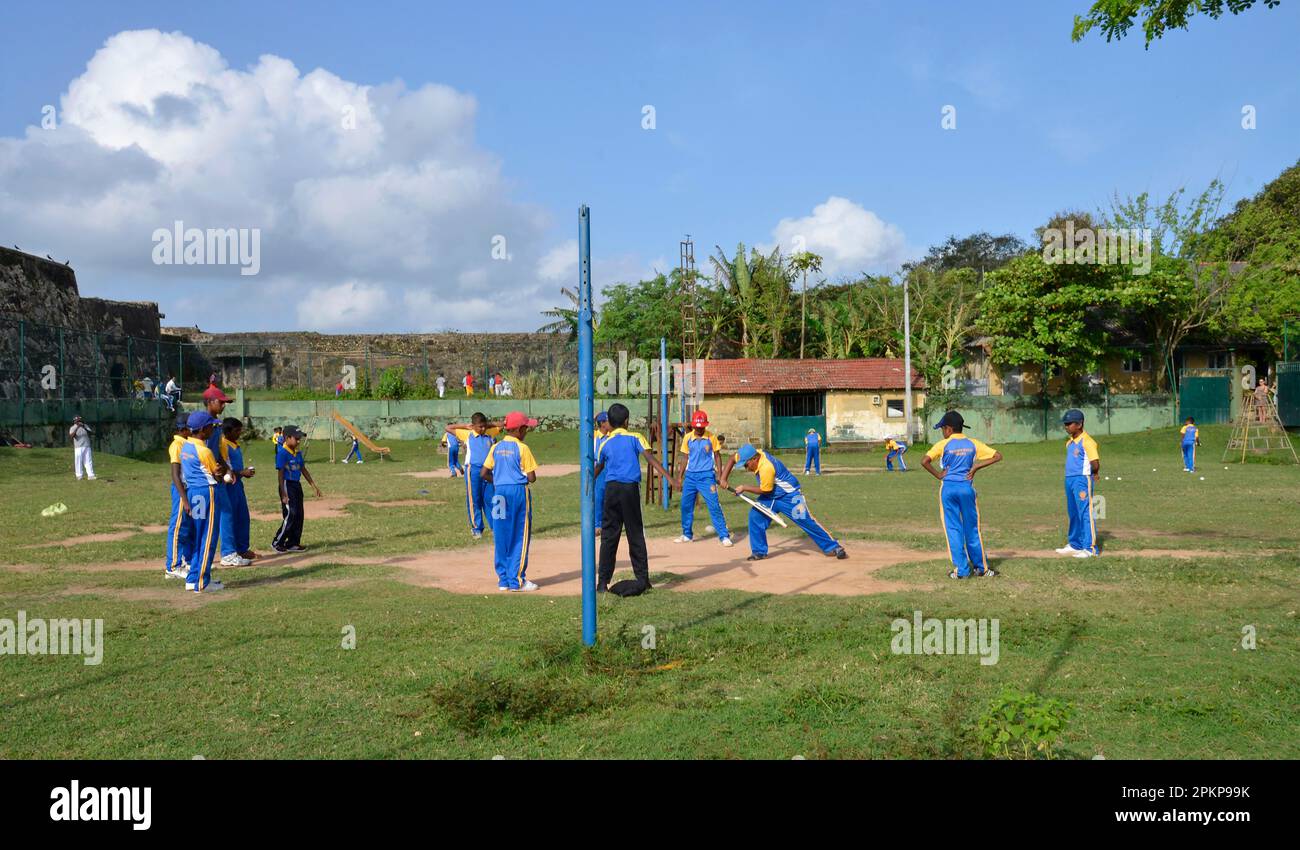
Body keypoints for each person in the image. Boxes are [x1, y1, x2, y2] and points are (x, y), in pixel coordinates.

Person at [593, 403, 674, 594]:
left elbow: (598, 468)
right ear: (627, 421)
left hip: (611, 491)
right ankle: (643, 579)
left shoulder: (604, 442)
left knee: (609, 537)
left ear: (610, 423)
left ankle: (602, 583)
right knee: (635, 534)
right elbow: (650, 459)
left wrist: (587, 483)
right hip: (629, 490)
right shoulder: (635, 437)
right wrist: (669, 477)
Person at [720, 443, 847, 562]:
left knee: (805, 520)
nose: (746, 468)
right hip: (771, 496)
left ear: (754, 459)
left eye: (746, 465)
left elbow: (765, 489)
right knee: (755, 517)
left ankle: (833, 547)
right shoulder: (752, 453)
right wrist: (723, 479)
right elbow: (732, 458)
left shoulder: (766, 467)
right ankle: (759, 552)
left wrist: (744, 488)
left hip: (790, 495)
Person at [921, 411, 1002, 579]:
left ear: (949, 429)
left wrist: (938, 475)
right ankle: (982, 569)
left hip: (948, 490)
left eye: (942, 428)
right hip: (966, 489)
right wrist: (975, 467)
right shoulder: (972, 443)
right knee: (972, 529)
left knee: (953, 529)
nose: (942, 432)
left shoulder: (943, 444)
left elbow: (924, 461)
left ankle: (962, 571)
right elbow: (997, 456)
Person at [482, 411, 540, 591]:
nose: (527, 431)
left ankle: (503, 580)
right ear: (520, 429)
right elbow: (531, 478)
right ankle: (517, 581)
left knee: (501, 533)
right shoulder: (523, 448)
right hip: (517, 493)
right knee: (519, 535)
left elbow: (483, 473)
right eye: (527, 428)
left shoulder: (495, 447)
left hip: (498, 493)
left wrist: (499, 481)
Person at [179, 411, 229, 592]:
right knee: (208, 537)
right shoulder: (205, 451)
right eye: (210, 426)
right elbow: (216, 474)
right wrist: (224, 472)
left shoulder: (185, 447)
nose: (212, 429)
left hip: (193, 492)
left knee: (199, 536)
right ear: (202, 429)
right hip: (207, 492)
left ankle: (193, 579)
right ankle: (202, 581)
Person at [673, 409, 733, 547]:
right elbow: (684, 457)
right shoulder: (688, 438)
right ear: (693, 426)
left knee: (713, 505)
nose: (699, 429)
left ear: (705, 426)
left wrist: (720, 474)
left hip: (707, 476)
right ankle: (687, 534)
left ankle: (724, 536)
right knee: (686, 505)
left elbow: (717, 456)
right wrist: (680, 477)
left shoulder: (711, 437)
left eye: (702, 427)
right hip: (690, 477)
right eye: (697, 427)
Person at [446, 413, 500, 538]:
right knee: (474, 500)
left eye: (484, 426)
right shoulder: (467, 434)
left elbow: (503, 424)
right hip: (473, 471)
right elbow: (448, 428)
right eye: (480, 427)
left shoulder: (489, 433)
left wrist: (488, 424)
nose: (482, 429)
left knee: (490, 499)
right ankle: (477, 528)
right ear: (473, 426)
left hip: (488, 471)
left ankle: (494, 527)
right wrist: (465, 426)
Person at [1057, 408, 1100, 558]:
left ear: (1079, 424)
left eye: (1069, 423)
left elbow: (1095, 462)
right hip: (1069, 479)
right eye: (1065, 424)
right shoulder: (1069, 443)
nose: (1066, 426)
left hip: (1082, 480)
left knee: (1085, 512)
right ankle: (1075, 544)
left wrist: (1094, 473)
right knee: (1073, 512)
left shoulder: (1087, 441)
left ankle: (1090, 548)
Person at [272, 425, 322, 553]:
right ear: (287, 438)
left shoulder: (297, 453)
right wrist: (283, 493)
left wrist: (313, 486)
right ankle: (278, 542)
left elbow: (303, 469)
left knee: (299, 514)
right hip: (287, 485)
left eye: (300, 439)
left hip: (296, 485)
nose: (299, 441)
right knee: (291, 514)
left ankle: (293, 543)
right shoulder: (282, 453)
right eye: (296, 438)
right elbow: (280, 474)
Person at [218, 418, 257, 566]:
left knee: (242, 517)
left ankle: (242, 548)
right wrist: (242, 472)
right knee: (228, 518)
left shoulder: (234, 444)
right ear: (227, 431)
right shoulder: (223, 444)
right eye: (237, 431)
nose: (239, 433)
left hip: (238, 485)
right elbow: (223, 467)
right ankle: (228, 551)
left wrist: (242, 473)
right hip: (228, 486)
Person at [164, 414, 192, 580]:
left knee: (188, 527)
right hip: (181, 489)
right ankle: (172, 566)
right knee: (178, 528)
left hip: (188, 489)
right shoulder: (177, 445)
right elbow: (175, 474)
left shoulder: (186, 443)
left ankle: (187, 561)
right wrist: (184, 498)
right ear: (183, 429)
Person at [592, 411, 611, 538]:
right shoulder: (593, 436)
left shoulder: (612, 436)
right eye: (608, 421)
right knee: (598, 498)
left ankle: (608, 525)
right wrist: (595, 417)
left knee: (609, 499)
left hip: (609, 469)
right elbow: (585, 426)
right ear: (603, 424)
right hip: (597, 470)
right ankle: (597, 525)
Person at [69, 415, 95, 480]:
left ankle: (90, 475)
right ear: (75, 421)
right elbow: (72, 436)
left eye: (80, 420)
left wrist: (84, 427)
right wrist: (77, 427)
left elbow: (91, 433)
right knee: (78, 461)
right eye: (78, 420)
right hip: (78, 447)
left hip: (87, 445)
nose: (80, 421)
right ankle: (79, 475)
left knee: (88, 461)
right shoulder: (73, 427)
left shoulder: (85, 426)